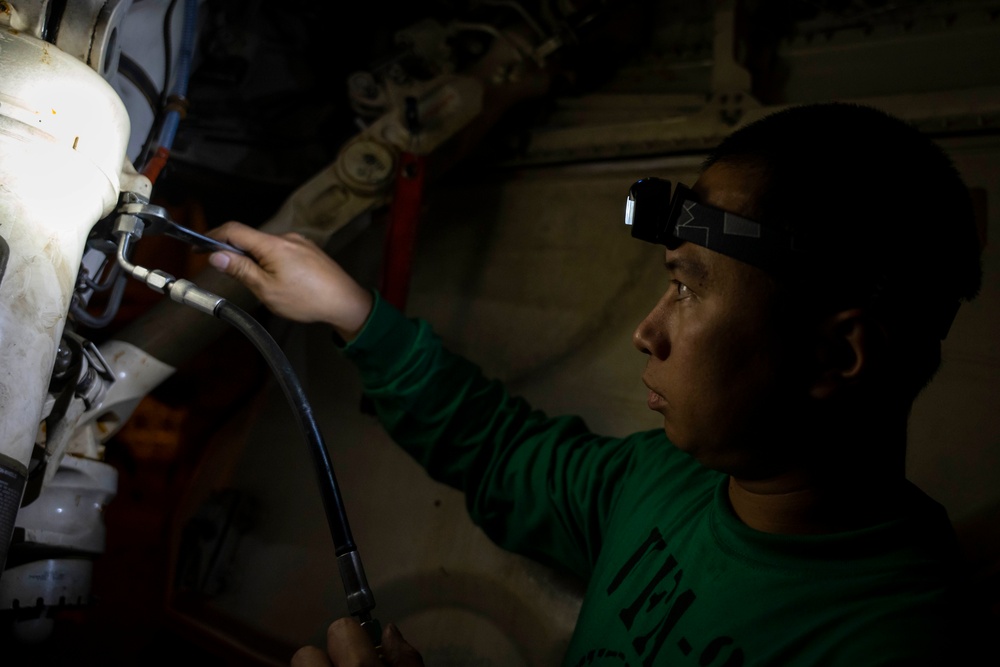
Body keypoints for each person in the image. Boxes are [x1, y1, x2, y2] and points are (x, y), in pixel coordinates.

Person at [207, 102, 987, 666]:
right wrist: (349, 308)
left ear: (836, 354)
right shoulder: (662, 481)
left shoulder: (900, 639)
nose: (648, 330)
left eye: (687, 287)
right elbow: (500, 451)